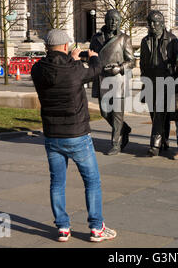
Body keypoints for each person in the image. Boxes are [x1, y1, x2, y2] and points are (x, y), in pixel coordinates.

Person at [31, 29, 116, 243]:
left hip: (52, 134)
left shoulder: (37, 69)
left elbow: (57, 69)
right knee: (92, 181)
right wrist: (94, 56)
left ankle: (63, 228)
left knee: (57, 183)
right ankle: (96, 228)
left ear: (47, 47)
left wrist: (72, 59)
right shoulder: (75, 69)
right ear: (66, 46)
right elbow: (95, 70)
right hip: (77, 134)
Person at [90, 9, 134, 155]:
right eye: (111, 19)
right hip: (101, 79)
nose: (114, 22)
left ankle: (116, 144)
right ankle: (124, 129)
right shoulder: (96, 38)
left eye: (117, 20)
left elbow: (131, 61)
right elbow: (92, 56)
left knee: (117, 114)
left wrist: (119, 68)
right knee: (104, 112)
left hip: (118, 80)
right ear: (105, 20)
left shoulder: (124, 38)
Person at [140, 10, 178, 157]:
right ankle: (164, 140)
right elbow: (142, 62)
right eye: (149, 22)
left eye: (154, 22)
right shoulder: (145, 40)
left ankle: (155, 145)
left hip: (166, 81)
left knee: (159, 113)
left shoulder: (172, 40)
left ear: (162, 23)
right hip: (150, 81)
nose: (151, 25)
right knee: (155, 114)